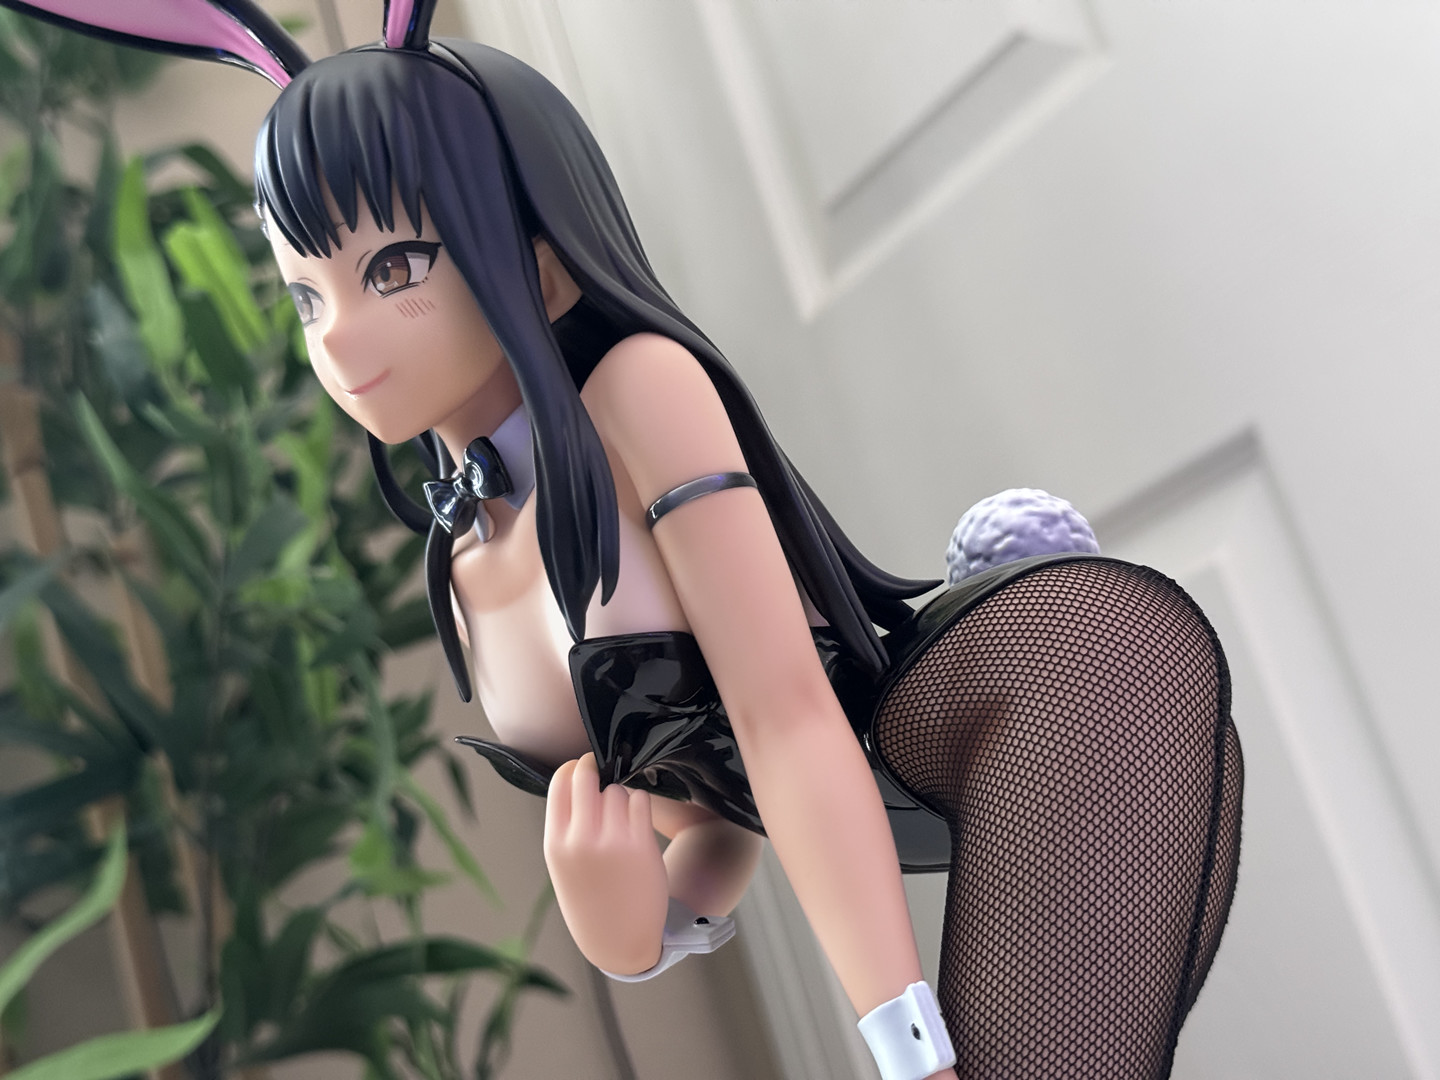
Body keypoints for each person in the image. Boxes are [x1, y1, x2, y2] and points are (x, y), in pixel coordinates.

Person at [2, 3, 1243, 1076]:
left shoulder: (640, 394)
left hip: (1062, 691)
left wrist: (906, 1051)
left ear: (539, 262)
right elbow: (713, 815)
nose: (336, 338)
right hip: (903, 801)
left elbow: (784, 719)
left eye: (397, 266)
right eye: (303, 291)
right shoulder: (463, 546)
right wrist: (642, 934)